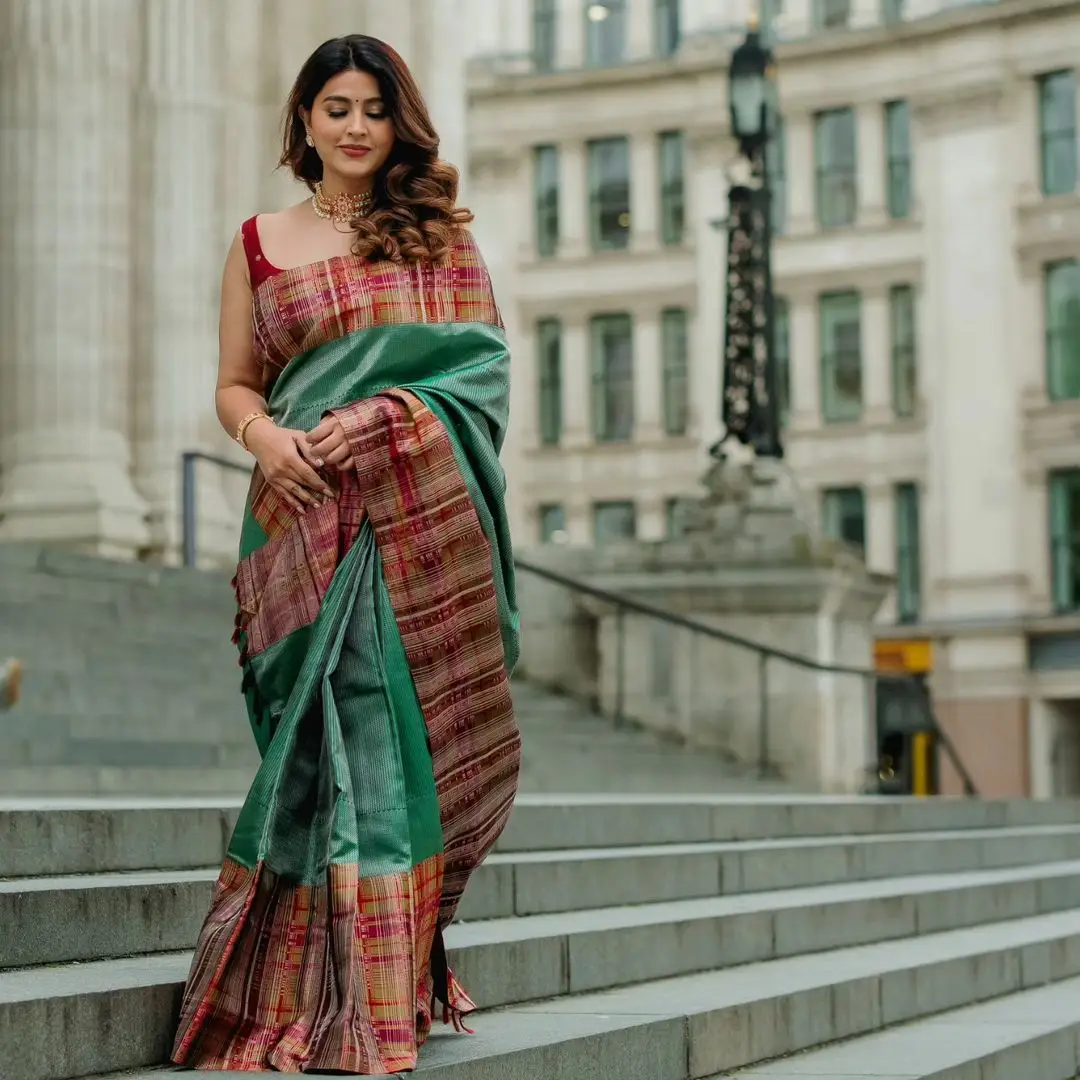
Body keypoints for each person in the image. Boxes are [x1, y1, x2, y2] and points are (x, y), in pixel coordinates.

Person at [171, 35, 521, 1075]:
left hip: (407, 520)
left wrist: (387, 419)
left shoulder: (440, 239)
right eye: (337, 107)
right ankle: (299, 997)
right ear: (305, 122)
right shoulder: (259, 242)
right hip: (294, 517)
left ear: (395, 120)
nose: (357, 126)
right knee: (310, 752)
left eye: (374, 107)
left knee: (380, 740)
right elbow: (236, 383)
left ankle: (371, 1001)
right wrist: (265, 438)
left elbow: (481, 380)